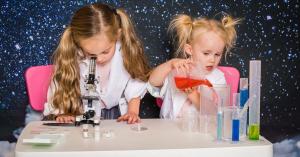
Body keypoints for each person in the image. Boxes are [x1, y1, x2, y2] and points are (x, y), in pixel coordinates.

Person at [43, 3, 150, 124]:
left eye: (105, 51)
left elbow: (135, 83)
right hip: (82, 115)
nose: (99, 59)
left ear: (117, 36)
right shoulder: (72, 57)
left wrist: (132, 112)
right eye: (91, 54)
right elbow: (60, 87)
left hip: (119, 115)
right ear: (78, 43)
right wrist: (62, 114)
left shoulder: (126, 52)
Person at [148, 14, 239, 119]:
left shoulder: (217, 77)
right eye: (206, 53)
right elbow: (152, 83)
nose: (212, 60)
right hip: (169, 129)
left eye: (217, 54)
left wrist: (194, 95)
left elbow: (216, 114)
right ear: (189, 50)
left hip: (200, 131)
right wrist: (170, 64)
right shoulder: (178, 69)